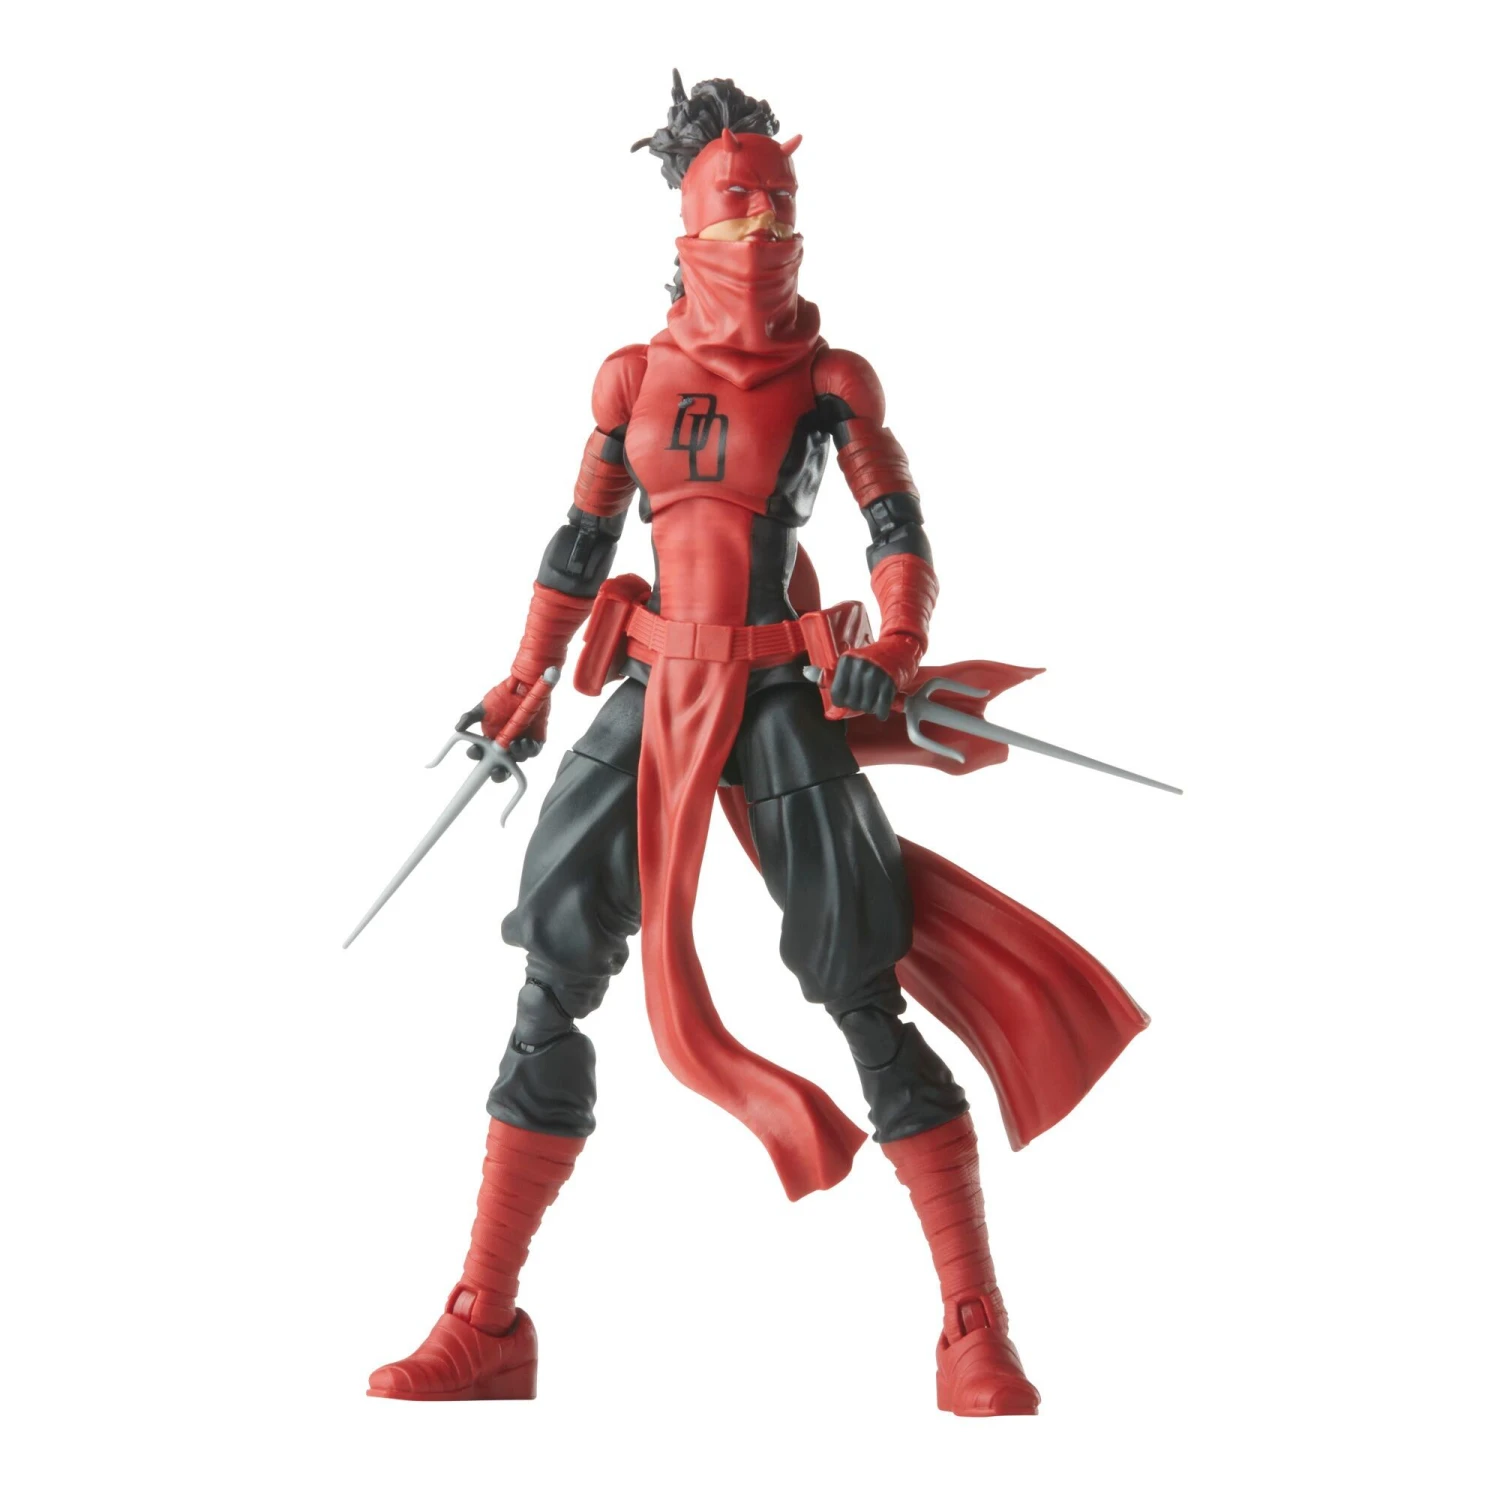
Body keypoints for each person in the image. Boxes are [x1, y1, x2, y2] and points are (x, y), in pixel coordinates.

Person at [367, 74, 1147, 1416]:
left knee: (860, 982)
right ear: (687, 224)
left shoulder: (833, 380)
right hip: (654, 685)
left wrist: (897, 641)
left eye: (779, 210)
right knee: (554, 972)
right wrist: (525, 678)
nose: (760, 235)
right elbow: (578, 545)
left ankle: (973, 1324)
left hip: (780, 692)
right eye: (735, 214)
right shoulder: (630, 378)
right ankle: (485, 1319)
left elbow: (898, 531)